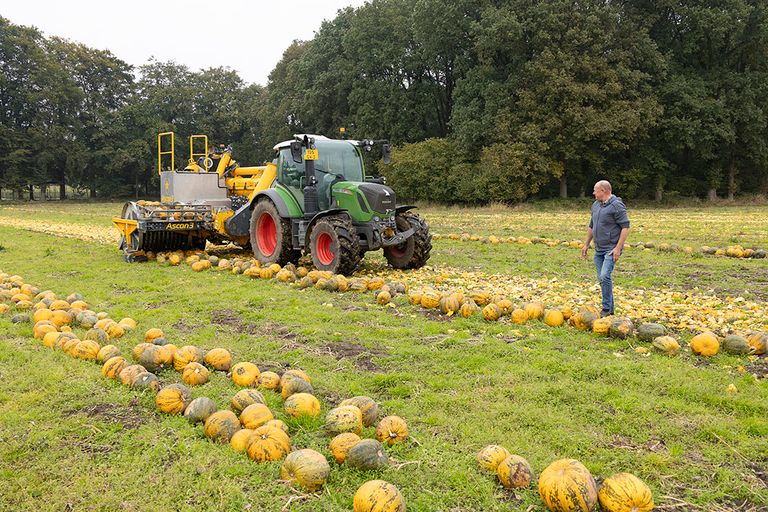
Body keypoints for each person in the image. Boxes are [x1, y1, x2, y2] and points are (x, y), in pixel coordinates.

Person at [581, 180, 630, 317]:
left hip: (611, 248)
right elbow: (592, 226)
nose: (593, 193)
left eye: (595, 190)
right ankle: (611, 310)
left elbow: (625, 227)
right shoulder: (596, 205)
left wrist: (618, 248)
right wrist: (586, 244)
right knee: (602, 278)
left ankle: (606, 308)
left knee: (604, 276)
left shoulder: (617, 205)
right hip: (599, 248)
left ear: (603, 191)